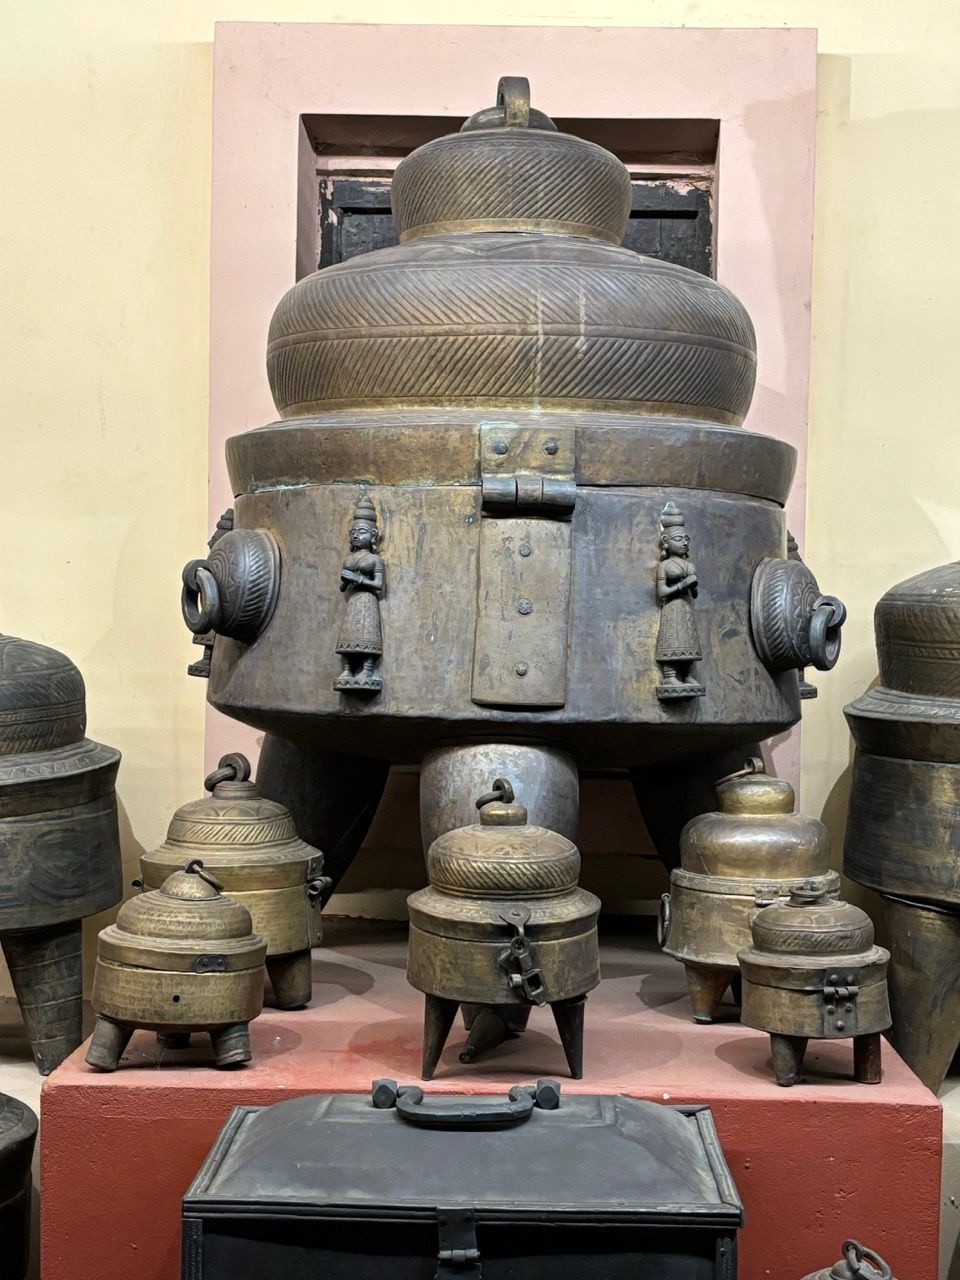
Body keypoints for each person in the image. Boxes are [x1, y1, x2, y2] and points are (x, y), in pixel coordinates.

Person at [334, 495, 384, 692]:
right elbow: (342, 587)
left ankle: (367, 670)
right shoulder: (349, 559)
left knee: (367, 634)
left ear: (373, 536)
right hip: (354, 601)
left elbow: (379, 584)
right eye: (353, 532)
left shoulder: (374, 560)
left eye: (361, 532)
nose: (356, 536)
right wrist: (345, 580)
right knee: (349, 634)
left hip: (367, 600)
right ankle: (347, 669)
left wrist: (358, 579)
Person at [655, 501, 704, 698]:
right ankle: (670, 676)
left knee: (688, 640)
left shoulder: (688, 565)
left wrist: (693, 586)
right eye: (678, 539)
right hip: (672, 608)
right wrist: (682, 586)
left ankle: (689, 675)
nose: (684, 542)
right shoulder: (665, 566)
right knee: (672, 640)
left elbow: (694, 594)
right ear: (666, 541)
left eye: (686, 538)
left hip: (685, 608)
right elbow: (662, 592)